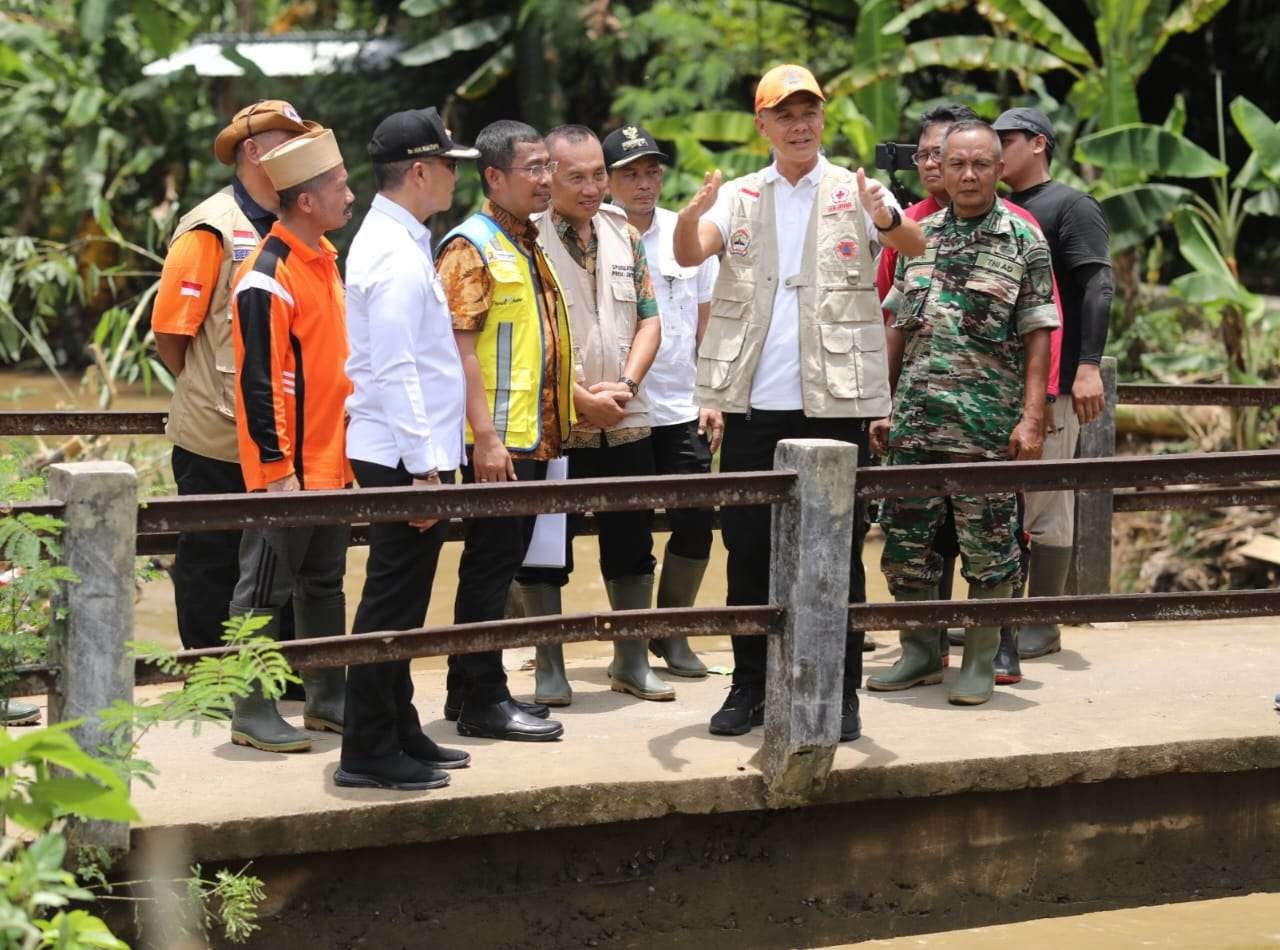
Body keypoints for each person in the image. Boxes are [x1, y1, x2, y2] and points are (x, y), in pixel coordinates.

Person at [673, 64, 925, 740]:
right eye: (785, 114)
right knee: (748, 548)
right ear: (763, 125)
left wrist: (888, 216)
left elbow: (913, 245)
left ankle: (841, 692)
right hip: (753, 404)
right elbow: (692, 252)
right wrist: (690, 218)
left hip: (836, 401)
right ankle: (749, 686)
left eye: (809, 111)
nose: (799, 124)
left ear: (823, 119)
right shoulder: (741, 196)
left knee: (837, 554)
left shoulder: (855, 189)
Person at [872, 103, 1066, 685]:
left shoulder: (1023, 240)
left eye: (982, 163)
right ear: (941, 167)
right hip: (915, 425)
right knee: (906, 548)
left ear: (1000, 167)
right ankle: (921, 652)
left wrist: (1033, 419)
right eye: (956, 163)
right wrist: (882, 406)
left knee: (990, 551)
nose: (968, 175)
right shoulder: (916, 237)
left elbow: (1039, 337)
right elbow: (897, 326)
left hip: (986, 432)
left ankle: (980, 660)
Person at [335, 108, 478, 791]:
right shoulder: (392, 252)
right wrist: (427, 468)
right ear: (421, 171)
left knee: (407, 597)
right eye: (450, 164)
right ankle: (366, 746)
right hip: (400, 451)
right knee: (391, 603)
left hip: (410, 447)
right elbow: (393, 368)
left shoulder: (403, 238)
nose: (456, 175)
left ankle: (398, 726)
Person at [513, 125, 669, 705]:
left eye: (598, 173)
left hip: (627, 416)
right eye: (574, 175)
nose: (590, 187)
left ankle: (631, 660)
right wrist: (579, 399)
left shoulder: (624, 234)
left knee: (631, 540)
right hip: (556, 421)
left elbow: (651, 319)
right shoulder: (525, 240)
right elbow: (524, 338)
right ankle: (549, 666)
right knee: (544, 546)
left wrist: (625, 386)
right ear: (547, 175)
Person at [153, 100, 316, 651]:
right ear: (252, 151)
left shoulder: (302, 224)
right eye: (285, 141)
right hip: (216, 435)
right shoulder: (211, 227)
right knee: (210, 558)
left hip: (287, 437)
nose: (299, 151)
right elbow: (172, 335)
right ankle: (212, 677)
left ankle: (279, 675)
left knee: (282, 558)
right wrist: (218, 390)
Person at [435, 120, 571, 742]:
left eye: (548, 166)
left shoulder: (526, 239)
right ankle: (484, 698)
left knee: (497, 563)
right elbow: (459, 350)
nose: (547, 180)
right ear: (494, 177)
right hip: (499, 442)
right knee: (491, 568)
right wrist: (484, 438)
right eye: (534, 169)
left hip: (531, 435)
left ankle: (468, 690)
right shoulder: (471, 246)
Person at [227, 128, 354, 753]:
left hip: (332, 461)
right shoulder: (266, 275)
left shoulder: (325, 259)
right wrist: (278, 471)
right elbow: (258, 382)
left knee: (325, 583)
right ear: (306, 200)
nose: (350, 195)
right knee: (263, 586)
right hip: (288, 469)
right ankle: (250, 709)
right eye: (339, 187)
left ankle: (328, 698)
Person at [993, 106, 1114, 661]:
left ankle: (1041, 621)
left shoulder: (1071, 205)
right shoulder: (996, 207)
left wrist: (1087, 365)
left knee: (1047, 499)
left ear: (1038, 143)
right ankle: (1004, 617)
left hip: (1058, 379)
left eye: (1006, 139)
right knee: (1010, 498)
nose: (997, 149)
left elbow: (1097, 286)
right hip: (1005, 379)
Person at [603, 123, 721, 679]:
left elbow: (708, 324)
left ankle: (672, 634)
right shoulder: (594, 234)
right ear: (607, 181)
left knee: (696, 517)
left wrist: (712, 394)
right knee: (625, 526)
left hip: (682, 403)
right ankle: (629, 650)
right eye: (630, 173)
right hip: (619, 409)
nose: (644, 183)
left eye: (652, 171)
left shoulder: (686, 233)